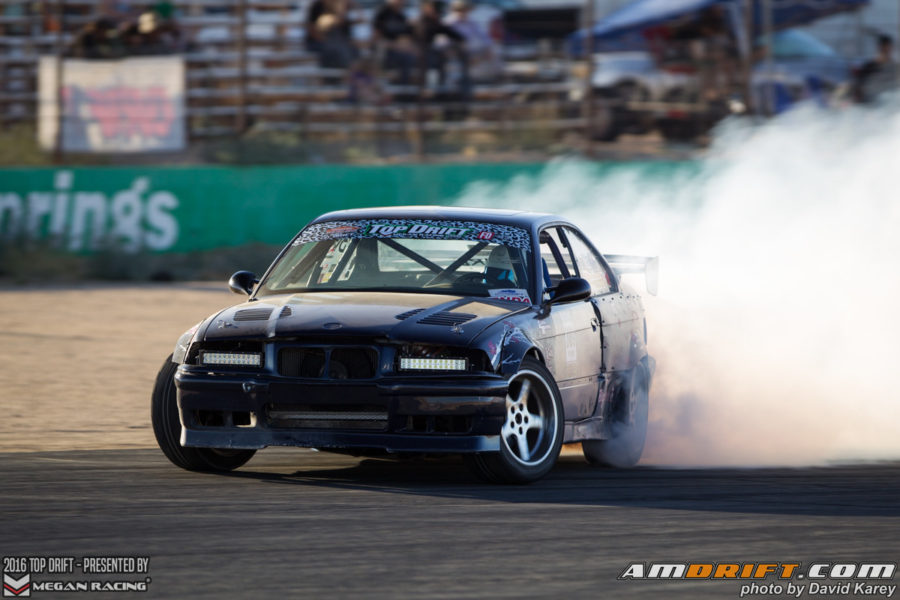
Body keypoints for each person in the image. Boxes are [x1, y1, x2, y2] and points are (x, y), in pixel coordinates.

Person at [443, 0, 501, 81]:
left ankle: (492, 78)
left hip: (469, 49)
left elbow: (483, 36)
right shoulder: (448, 23)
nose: (464, 13)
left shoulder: (471, 22)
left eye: (465, 10)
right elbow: (444, 40)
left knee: (494, 50)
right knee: (462, 53)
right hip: (454, 49)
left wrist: (489, 47)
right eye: (461, 10)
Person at [373, 0, 416, 84]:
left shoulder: (401, 16)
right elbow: (377, 37)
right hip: (385, 50)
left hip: (399, 49)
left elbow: (407, 37)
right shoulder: (382, 14)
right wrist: (394, 44)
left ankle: (404, 86)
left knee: (409, 57)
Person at [854, 34, 896, 103]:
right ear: (879, 47)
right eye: (884, 47)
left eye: (888, 47)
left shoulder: (895, 67)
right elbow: (860, 86)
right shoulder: (870, 66)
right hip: (873, 101)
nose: (887, 49)